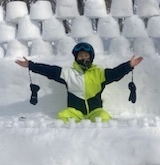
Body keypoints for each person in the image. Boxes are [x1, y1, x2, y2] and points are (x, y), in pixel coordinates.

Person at [15, 42, 143, 123]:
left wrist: (128, 65)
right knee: (62, 116)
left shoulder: (99, 74)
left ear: (91, 57)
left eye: (86, 55)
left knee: (104, 118)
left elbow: (115, 73)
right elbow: (50, 71)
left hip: (95, 111)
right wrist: (31, 65)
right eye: (80, 56)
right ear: (76, 58)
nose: (83, 58)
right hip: (75, 111)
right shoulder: (68, 73)